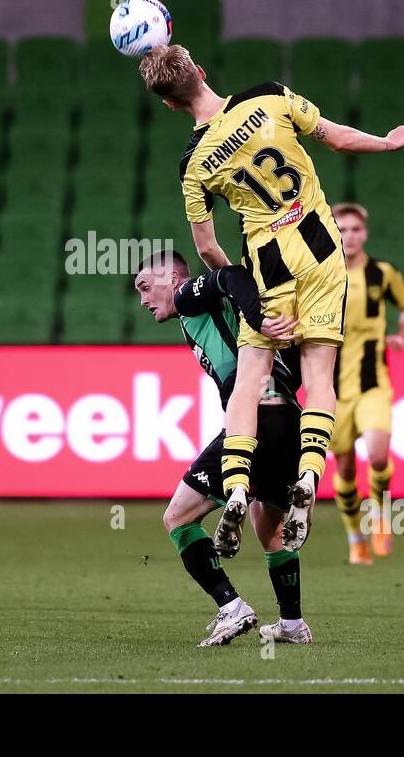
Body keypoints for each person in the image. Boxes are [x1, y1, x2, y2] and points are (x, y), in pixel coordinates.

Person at [139, 44, 404, 557]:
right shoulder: (268, 96)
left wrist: (240, 288)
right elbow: (334, 138)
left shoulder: (193, 163)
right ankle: (311, 475)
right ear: (201, 71)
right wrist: (386, 142)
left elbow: (205, 247)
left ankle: (237, 486)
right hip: (320, 251)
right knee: (318, 376)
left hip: (268, 264)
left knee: (249, 381)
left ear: (168, 105)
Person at [134, 249, 312, 646]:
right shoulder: (208, 314)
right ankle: (292, 624)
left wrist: (258, 317)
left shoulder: (186, 296)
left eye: (146, 287)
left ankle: (231, 608)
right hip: (288, 418)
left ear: (172, 279)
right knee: (270, 529)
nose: (144, 300)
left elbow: (230, 273)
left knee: (178, 518)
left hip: (253, 417)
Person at [328, 203, 404, 564]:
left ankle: (380, 516)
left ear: (365, 233)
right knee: (345, 469)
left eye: (355, 229)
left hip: (373, 383)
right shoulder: (320, 275)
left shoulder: (383, 273)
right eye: (343, 229)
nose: (349, 235)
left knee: (379, 455)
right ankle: (355, 536)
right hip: (331, 390)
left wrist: (401, 336)